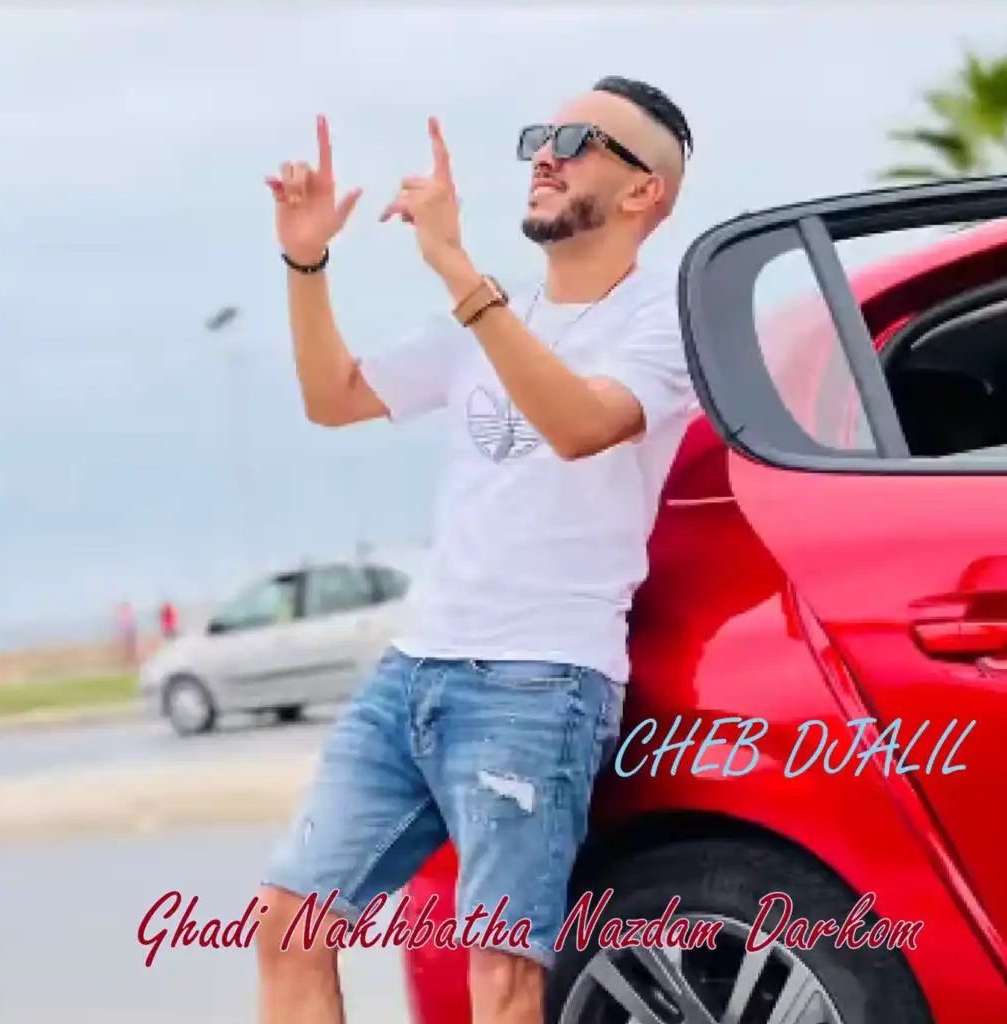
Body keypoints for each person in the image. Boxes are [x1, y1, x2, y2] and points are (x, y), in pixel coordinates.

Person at [257, 76, 696, 1024]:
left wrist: (458, 270)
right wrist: (306, 261)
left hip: (539, 682)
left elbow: (583, 424)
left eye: (577, 142)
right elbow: (333, 397)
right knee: (290, 924)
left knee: (500, 976)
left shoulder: (662, 318)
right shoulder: (494, 316)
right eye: (542, 136)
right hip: (413, 670)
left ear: (643, 191)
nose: (546, 155)